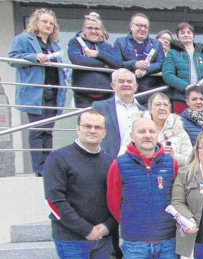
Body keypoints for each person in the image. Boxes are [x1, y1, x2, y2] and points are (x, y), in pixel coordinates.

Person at [44, 110, 115, 259]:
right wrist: (86, 230)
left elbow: (118, 199)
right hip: (71, 240)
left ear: (104, 132)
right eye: (87, 126)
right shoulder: (58, 158)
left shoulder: (111, 162)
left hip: (103, 238)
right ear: (78, 129)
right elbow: (54, 201)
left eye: (98, 127)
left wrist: (108, 226)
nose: (92, 130)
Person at [107, 118, 179, 258]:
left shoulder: (171, 163)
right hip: (135, 244)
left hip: (168, 242)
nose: (147, 135)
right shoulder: (119, 164)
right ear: (132, 136)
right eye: (141, 131)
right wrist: (131, 223)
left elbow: (178, 198)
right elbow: (113, 202)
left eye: (152, 131)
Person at [8, 8, 67, 176]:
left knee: (48, 131)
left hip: (53, 92)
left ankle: (48, 166)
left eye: (51, 23)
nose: (48, 25)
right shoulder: (23, 39)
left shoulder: (54, 45)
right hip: (35, 93)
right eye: (45, 22)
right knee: (37, 130)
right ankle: (39, 168)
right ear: (36, 23)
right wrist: (34, 57)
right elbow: (12, 59)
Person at [117, 93, 193, 166]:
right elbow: (122, 156)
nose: (162, 108)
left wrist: (174, 156)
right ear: (150, 109)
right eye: (158, 104)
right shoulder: (136, 128)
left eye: (166, 105)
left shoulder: (179, 131)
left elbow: (191, 161)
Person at [68, 12, 122, 108]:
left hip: (107, 96)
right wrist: (105, 63)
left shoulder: (107, 46)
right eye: (90, 28)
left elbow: (117, 63)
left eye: (97, 28)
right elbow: (77, 60)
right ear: (83, 30)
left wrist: (98, 54)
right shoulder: (75, 43)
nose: (94, 31)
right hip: (83, 97)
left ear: (101, 31)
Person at [92, 69, 147, 158]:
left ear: (136, 86)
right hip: (107, 161)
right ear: (113, 85)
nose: (126, 84)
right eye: (121, 81)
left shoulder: (145, 111)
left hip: (137, 163)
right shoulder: (99, 107)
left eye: (129, 81)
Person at [162, 22, 203, 113]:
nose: (186, 35)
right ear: (178, 36)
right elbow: (168, 74)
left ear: (193, 36)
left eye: (189, 32)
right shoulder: (172, 53)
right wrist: (186, 86)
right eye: (182, 33)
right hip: (181, 98)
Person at [114, 13, 164, 105]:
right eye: (139, 25)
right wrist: (134, 64)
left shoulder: (156, 44)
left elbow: (161, 63)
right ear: (131, 26)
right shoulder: (119, 42)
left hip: (149, 91)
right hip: (126, 90)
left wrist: (146, 70)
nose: (143, 29)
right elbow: (116, 62)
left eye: (145, 26)